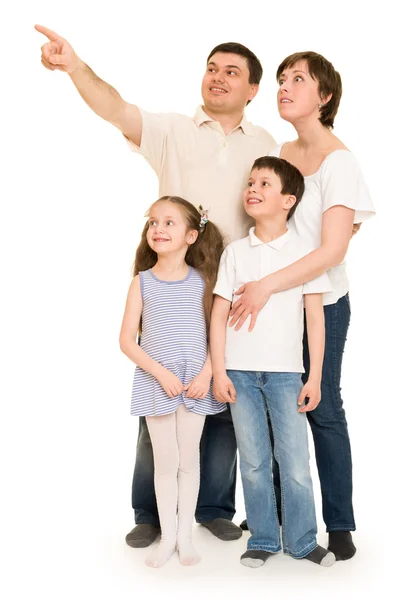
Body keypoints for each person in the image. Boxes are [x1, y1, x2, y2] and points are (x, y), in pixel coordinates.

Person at [35, 23, 276, 546]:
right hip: (173, 281)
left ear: (252, 89)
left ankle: (213, 506)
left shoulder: (265, 143)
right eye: (212, 68)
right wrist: (75, 66)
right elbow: (115, 107)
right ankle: (149, 511)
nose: (217, 78)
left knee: (220, 393)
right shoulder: (172, 129)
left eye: (231, 72)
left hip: (232, 289)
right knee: (160, 391)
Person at [228, 52, 376, 560]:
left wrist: (267, 284)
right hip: (268, 307)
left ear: (325, 96)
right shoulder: (281, 152)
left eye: (298, 80)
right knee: (270, 409)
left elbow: (333, 250)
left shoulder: (341, 160)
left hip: (322, 303)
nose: (285, 87)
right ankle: (272, 514)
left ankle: (338, 523)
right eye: (281, 80)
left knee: (323, 407)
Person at [211, 156, 335, 568]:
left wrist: (314, 376)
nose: (253, 188)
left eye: (264, 183)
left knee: (296, 461)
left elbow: (315, 318)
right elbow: (218, 312)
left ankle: (302, 540)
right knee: (253, 461)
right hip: (239, 374)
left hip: (286, 375)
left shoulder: (305, 254)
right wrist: (218, 370)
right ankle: (262, 537)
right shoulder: (235, 252)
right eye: (250, 182)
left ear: (288, 199)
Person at [119, 195, 226, 567]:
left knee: (188, 461)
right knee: (164, 462)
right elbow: (126, 341)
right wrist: (162, 373)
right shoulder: (142, 282)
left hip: (195, 384)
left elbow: (219, 335)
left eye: (169, 223)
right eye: (153, 222)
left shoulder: (204, 282)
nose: (158, 229)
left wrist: (207, 374)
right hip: (157, 383)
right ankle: (167, 537)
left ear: (192, 236)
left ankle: (185, 537)